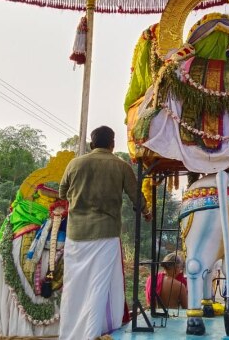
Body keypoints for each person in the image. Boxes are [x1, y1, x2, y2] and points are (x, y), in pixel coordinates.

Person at [58, 126, 149, 340]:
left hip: (76, 235)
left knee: (74, 286)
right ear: (112, 144)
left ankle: (69, 335)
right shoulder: (120, 165)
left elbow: (62, 192)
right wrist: (146, 212)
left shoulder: (74, 164)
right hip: (106, 234)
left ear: (91, 144)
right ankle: (92, 335)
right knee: (98, 287)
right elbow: (137, 197)